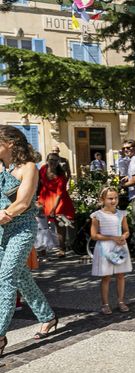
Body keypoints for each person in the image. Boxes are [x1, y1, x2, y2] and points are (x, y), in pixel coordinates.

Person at [0, 125, 58, 356]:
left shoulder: (28, 168)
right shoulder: (1, 167)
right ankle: (48, 316)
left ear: (10, 143)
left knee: (5, 278)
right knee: (21, 277)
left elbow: (23, 203)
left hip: (21, 229)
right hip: (1, 230)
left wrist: (5, 214)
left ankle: (0, 334)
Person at [90, 186, 132, 315]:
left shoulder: (121, 214)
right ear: (102, 199)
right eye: (110, 198)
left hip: (119, 247)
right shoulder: (97, 215)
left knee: (120, 275)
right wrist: (112, 237)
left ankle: (120, 301)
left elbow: (126, 231)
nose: (113, 201)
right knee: (106, 277)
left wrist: (123, 236)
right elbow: (94, 235)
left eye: (115, 198)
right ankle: (105, 304)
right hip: (105, 248)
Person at [37, 152, 75, 256]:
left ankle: (61, 249)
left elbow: (59, 194)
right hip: (44, 198)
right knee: (42, 225)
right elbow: (39, 183)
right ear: (47, 160)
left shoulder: (61, 175)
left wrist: (54, 208)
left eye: (55, 160)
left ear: (58, 162)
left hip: (59, 201)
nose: (53, 162)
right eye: (51, 160)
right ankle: (42, 248)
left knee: (59, 225)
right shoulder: (43, 169)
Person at [120, 140, 135, 235]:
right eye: (124, 148)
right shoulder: (133, 159)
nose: (126, 150)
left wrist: (122, 186)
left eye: (128, 147)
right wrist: (127, 177)